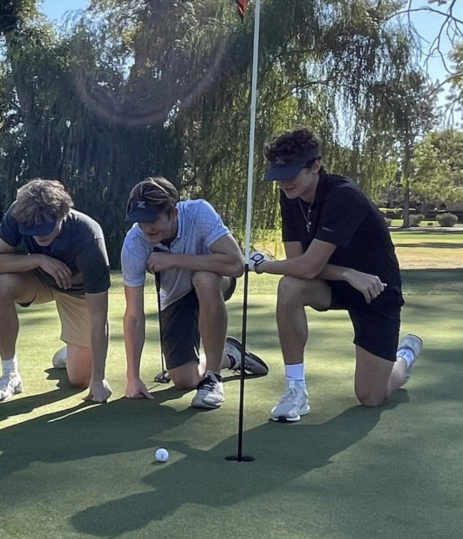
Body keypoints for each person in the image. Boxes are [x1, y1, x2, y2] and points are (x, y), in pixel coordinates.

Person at [250, 126, 422, 422]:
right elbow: (298, 264)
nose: (283, 182)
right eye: (279, 174)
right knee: (290, 286)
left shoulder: (343, 195)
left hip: (377, 290)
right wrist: (347, 273)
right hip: (337, 282)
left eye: (291, 172)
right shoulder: (290, 196)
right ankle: (295, 390)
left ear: (315, 165)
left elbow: (307, 266)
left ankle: (404, 357)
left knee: (371, 396)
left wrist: (262, 264)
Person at [121, 177, 268, 409]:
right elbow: (134, 315)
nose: (147, 227)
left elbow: (236, 265)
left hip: (215, 281)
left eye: (153, 219)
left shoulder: (199, 212)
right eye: (140, 220)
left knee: (204, 278)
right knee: (184, 379)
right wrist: (133, 377)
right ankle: (229, 356)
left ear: (173, 213)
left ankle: (213, 377)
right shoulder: (134, 243)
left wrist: (174, 260)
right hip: (176, 296)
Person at [0, 179, 112, 403]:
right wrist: (40, 260)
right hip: (39, 279)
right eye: (31, 230)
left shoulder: (88, 236)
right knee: (1, 284)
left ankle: (67, 355)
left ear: (62, 214)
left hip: (77, 292)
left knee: (80, 380)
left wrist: (98, 379)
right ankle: (10, 375)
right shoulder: (19, 213)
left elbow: (99, 316)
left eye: (44, 228)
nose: (38, 235)